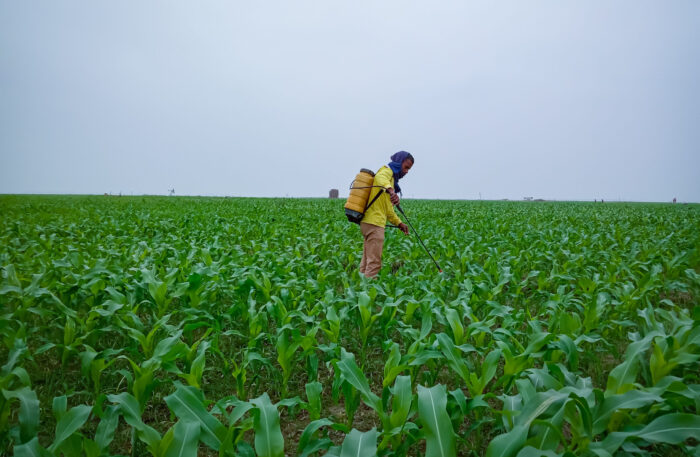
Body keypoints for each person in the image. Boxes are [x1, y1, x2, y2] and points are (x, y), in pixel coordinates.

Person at [359, 151, 414, 278]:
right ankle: (368, 295)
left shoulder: (391, 180)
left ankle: (359, 291)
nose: (406, 171)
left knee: (366, 262)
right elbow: (380, 177)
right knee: (374, 264)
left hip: (368, 222)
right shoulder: (387, 171)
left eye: (409, 169)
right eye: (406, 167)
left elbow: (388, 210)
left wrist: (399, 223)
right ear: (399, 162)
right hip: (374, 224)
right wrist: (390, 190)